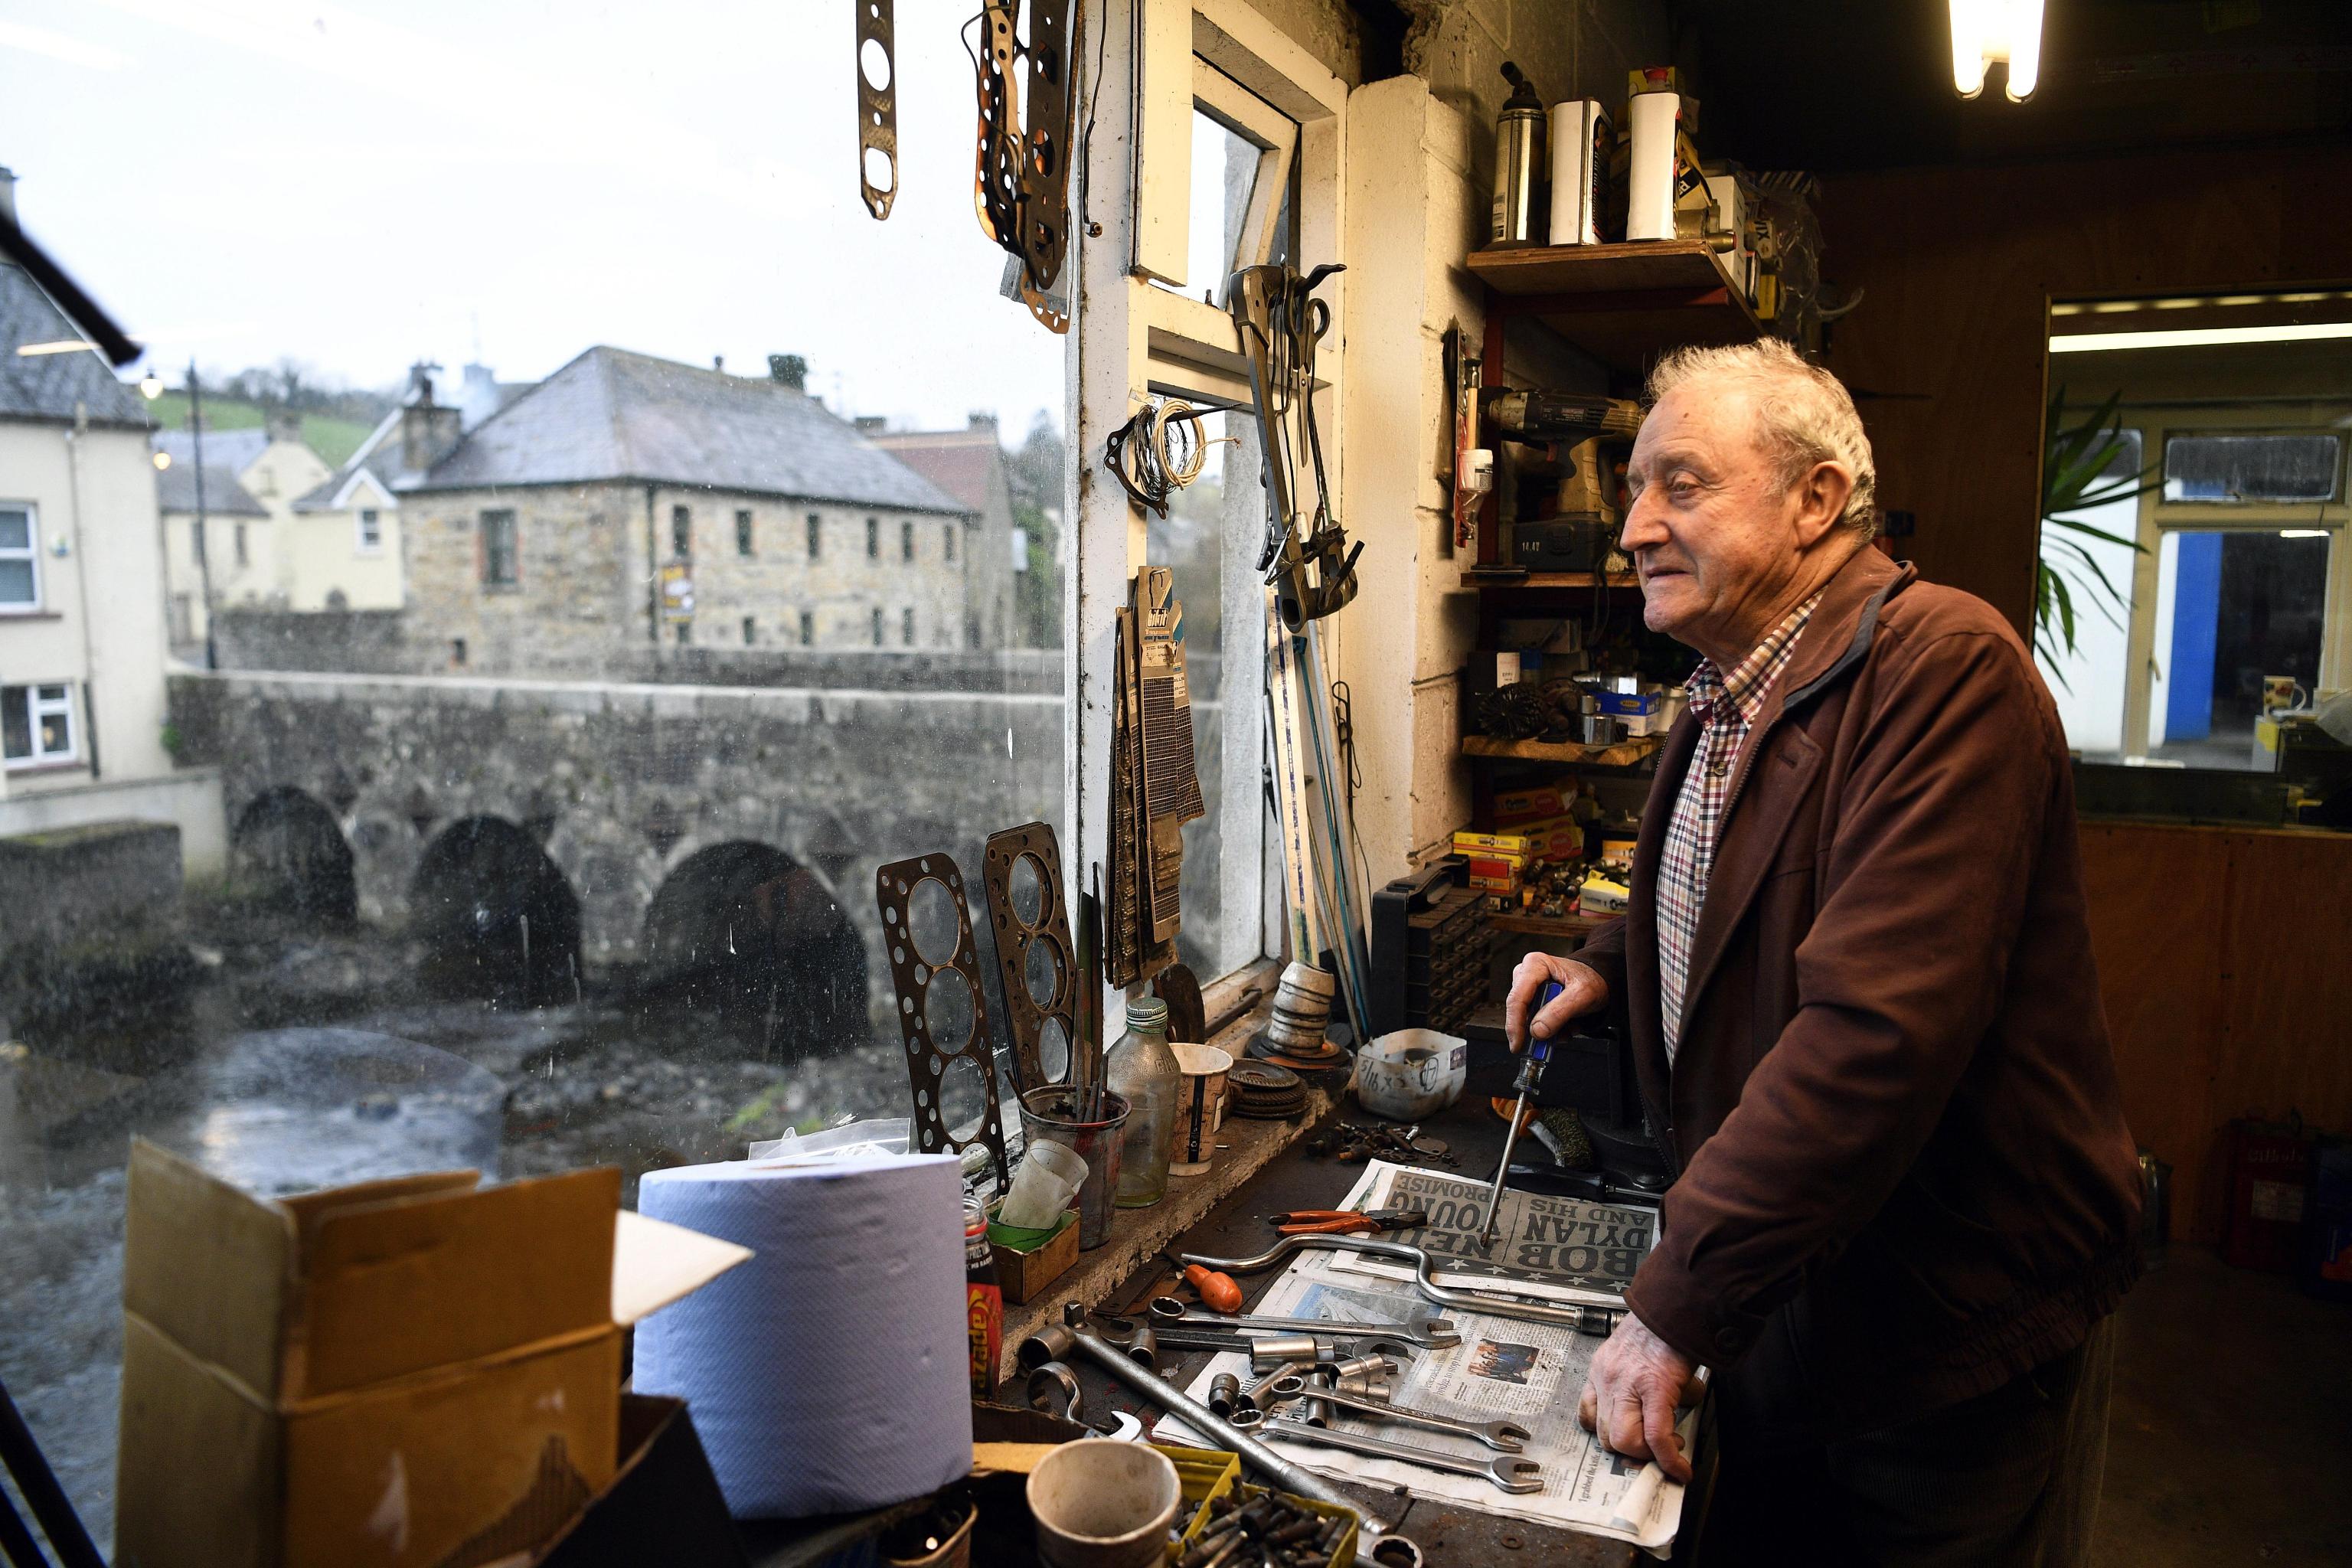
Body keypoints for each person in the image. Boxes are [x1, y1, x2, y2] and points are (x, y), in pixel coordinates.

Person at [1504, 340, 2143, 1566]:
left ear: (1817, 500)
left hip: (1937, 1334)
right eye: (1633, 489)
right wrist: (1615, 957)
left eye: (1680, 485)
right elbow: (1753, 894)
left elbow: (1875, 1034)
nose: (1633, 526)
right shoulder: (1732, 684)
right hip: (1804, 1306)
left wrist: (1675, 1305)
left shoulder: (1945, 670)